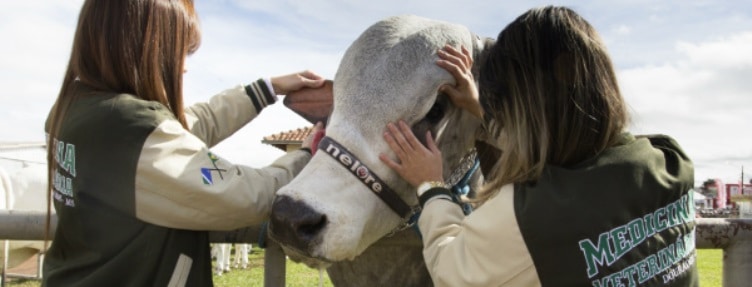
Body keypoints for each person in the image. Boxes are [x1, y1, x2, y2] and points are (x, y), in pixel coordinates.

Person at [380, 6, 697, 287]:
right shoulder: (670, 161)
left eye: (503, 107)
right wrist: (479, 108)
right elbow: (569, 151)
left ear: (520, 110)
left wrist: (432, 187)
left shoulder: (527, 217)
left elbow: (451, 271)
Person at [43, 0, 326, 286]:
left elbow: (181, 129)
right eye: (179, 51)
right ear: (142, 46)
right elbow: (244, 196)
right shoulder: (130, 127)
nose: (184, 68)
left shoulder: (74, 111)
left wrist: (266, 89)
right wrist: (306, 154)